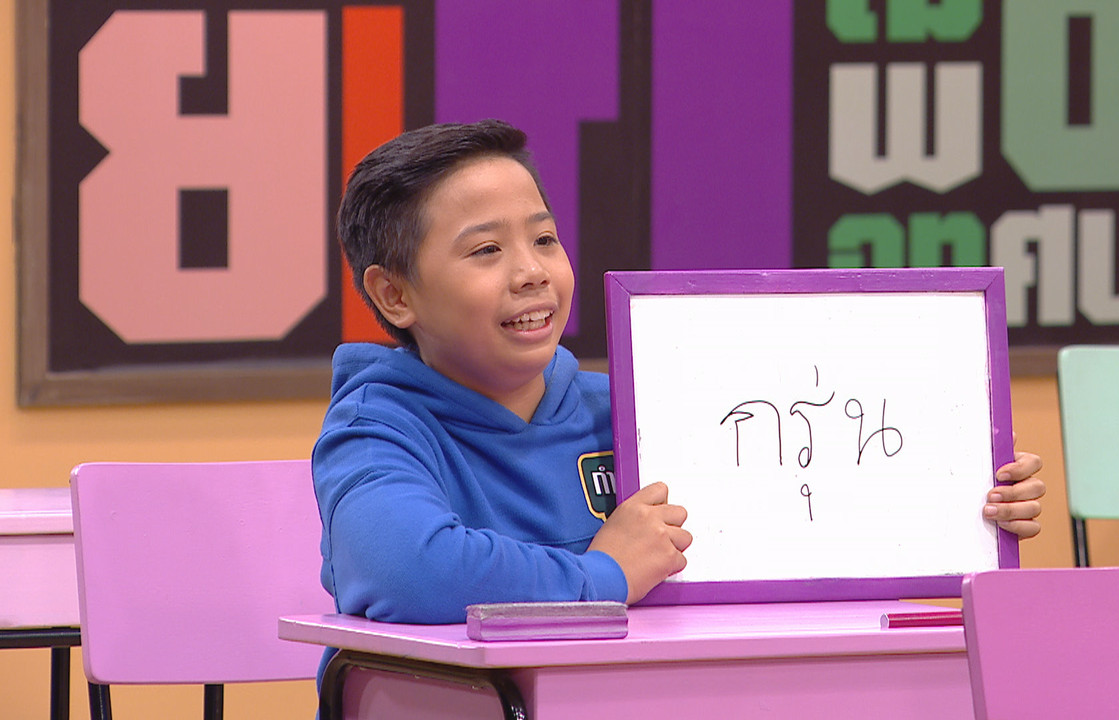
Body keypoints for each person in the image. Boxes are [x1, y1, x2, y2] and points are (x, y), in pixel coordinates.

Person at [312, 119, 1046, 632]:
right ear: (394, 295)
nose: (531, 272)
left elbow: (792, 531)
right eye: (485, 252)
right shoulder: (376, 428)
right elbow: (409, 569)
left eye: (544, 238)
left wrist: (960, 504)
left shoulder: (630, 405)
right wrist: (604, 577)